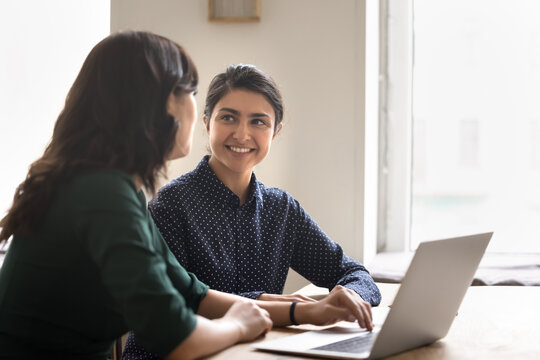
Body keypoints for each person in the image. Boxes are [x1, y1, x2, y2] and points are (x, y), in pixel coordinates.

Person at [0, 33, 374, 360]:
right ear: (151, 106)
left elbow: (193, 294)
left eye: (258, 121)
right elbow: (179, 334)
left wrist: (304, 312)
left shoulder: (111, 188)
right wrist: (241, 324)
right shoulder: (105, 193)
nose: (194, 106)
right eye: (188, 92)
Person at [122, 64, 381, 359]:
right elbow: (181, 306)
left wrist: (352, 296)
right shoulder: (171, 205)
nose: (242, 134)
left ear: (276, 131)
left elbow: (353, 272)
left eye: (258, 122)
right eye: (228, 118)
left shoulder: (281, 209)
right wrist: (293, 310)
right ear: (207, 123)